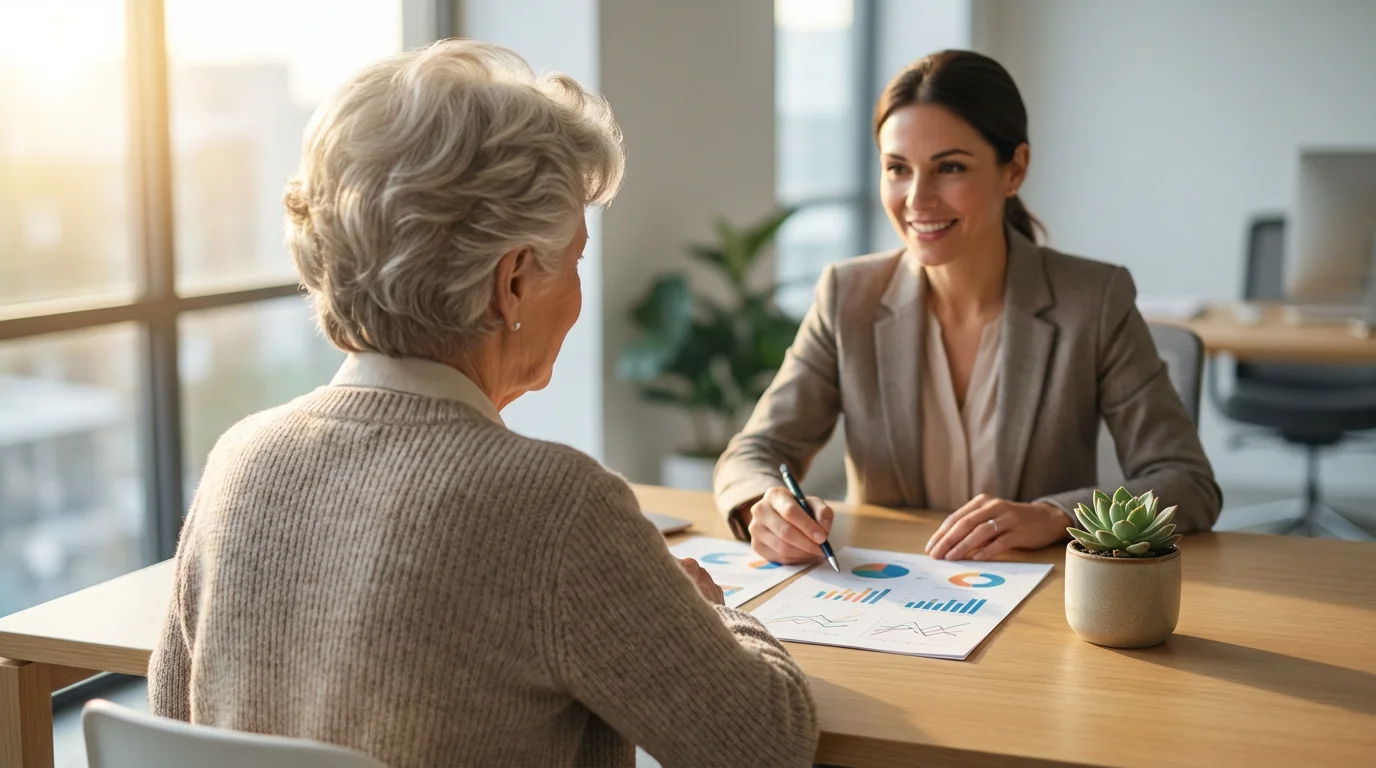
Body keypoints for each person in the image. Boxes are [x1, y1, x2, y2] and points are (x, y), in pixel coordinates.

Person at [148, 39, 817, 768]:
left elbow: (171, 721)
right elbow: (764, 745)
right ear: (515, 282)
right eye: (576, 260)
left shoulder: (240, 460)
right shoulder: (556, 507)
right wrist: (711, 618)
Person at [714, 49, 1221, 565]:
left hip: (1039, 602)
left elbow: (1186, 481)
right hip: (884, 600)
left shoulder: (1092, 300)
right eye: (897, 169)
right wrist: (766, 506)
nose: (916, 199)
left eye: (949, 168)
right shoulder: (848, 296)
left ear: (1014, 169)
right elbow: (753, 454)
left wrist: (1054, 516)